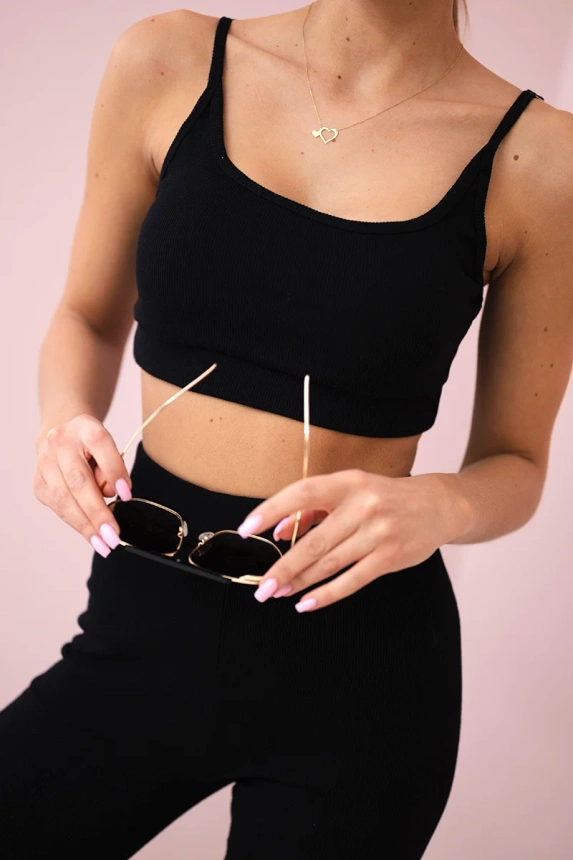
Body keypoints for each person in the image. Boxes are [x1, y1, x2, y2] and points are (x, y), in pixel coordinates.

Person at [1, 2, 572, 858]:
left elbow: (515, 463)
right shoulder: (167, 59)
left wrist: (434, 506)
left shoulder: (544, 160)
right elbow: (86, 315)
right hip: (140, 621)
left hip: (360, 674)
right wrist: (61, 421)